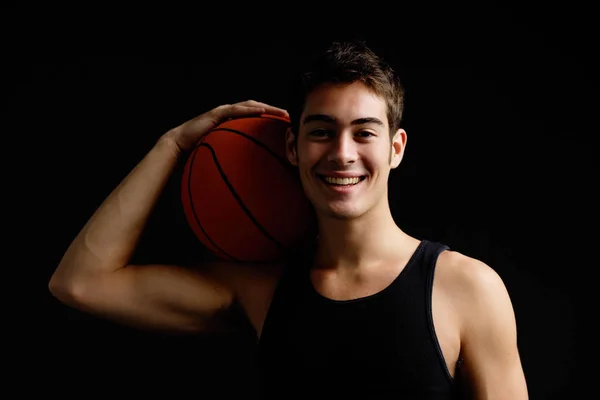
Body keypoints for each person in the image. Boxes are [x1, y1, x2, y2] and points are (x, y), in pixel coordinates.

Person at [49, 40, 528, 399]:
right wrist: (172, 144)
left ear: (395, 148)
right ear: (293, 147)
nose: (342, 154)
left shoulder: (467, 289)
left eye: (364, 132)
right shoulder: (262, 289)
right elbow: (80, 282)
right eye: (321, 131)